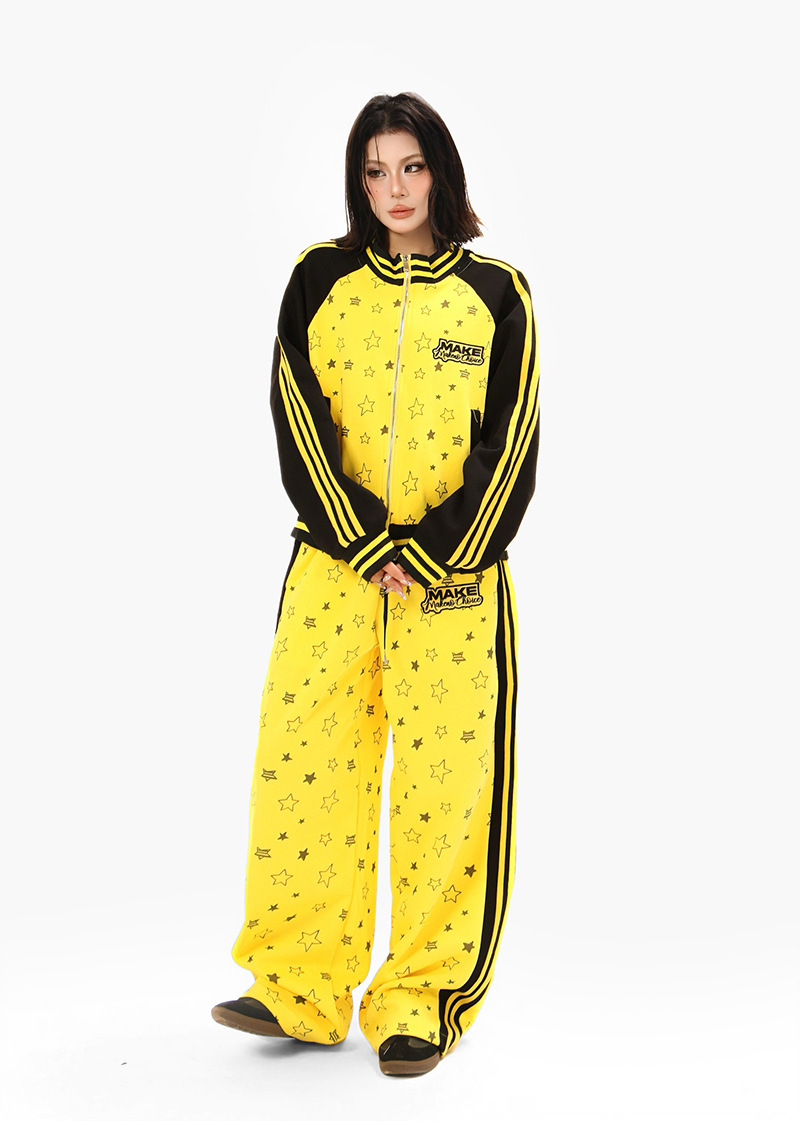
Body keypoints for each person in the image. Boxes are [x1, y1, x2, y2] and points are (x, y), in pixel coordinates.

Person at [211, 91, 540, 1078]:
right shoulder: (320, 279)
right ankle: (299, 985)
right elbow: (296, 416)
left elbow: (510, 444)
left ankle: (421, 996)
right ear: (358, 182)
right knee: (303, 771)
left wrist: (431, 551)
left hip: (453, 586)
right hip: (331, 573)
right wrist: (361, 541)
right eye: (374, 170)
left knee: (447, 793)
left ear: (440, 172)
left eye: (411, 166)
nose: (393, 188)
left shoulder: (496, 294)